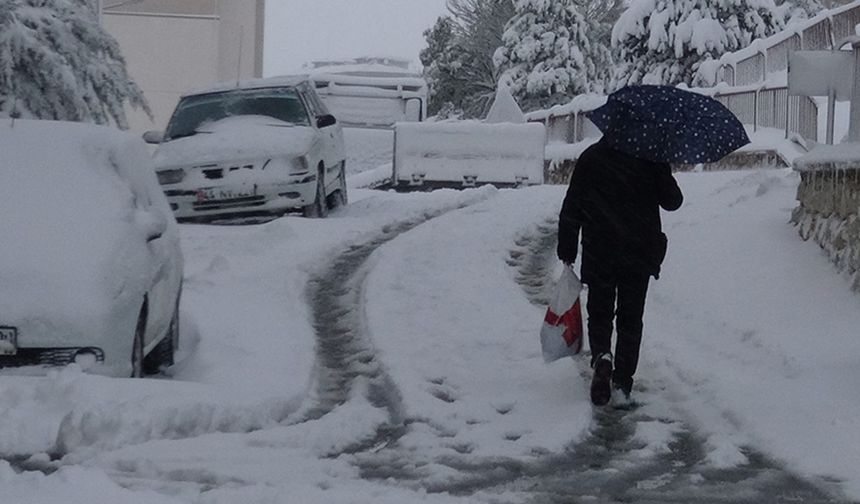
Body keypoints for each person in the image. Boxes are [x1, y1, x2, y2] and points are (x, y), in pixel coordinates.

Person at [557, 138, 683, 406]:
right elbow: (673, 201)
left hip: (599, 249)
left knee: (600, 312)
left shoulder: (592, 157)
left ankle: (602, 355)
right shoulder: (650, 156)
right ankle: (623, 381)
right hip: (639, 251)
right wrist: (662, 168)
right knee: (631, 318)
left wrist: (567, 249)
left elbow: (572, 206)